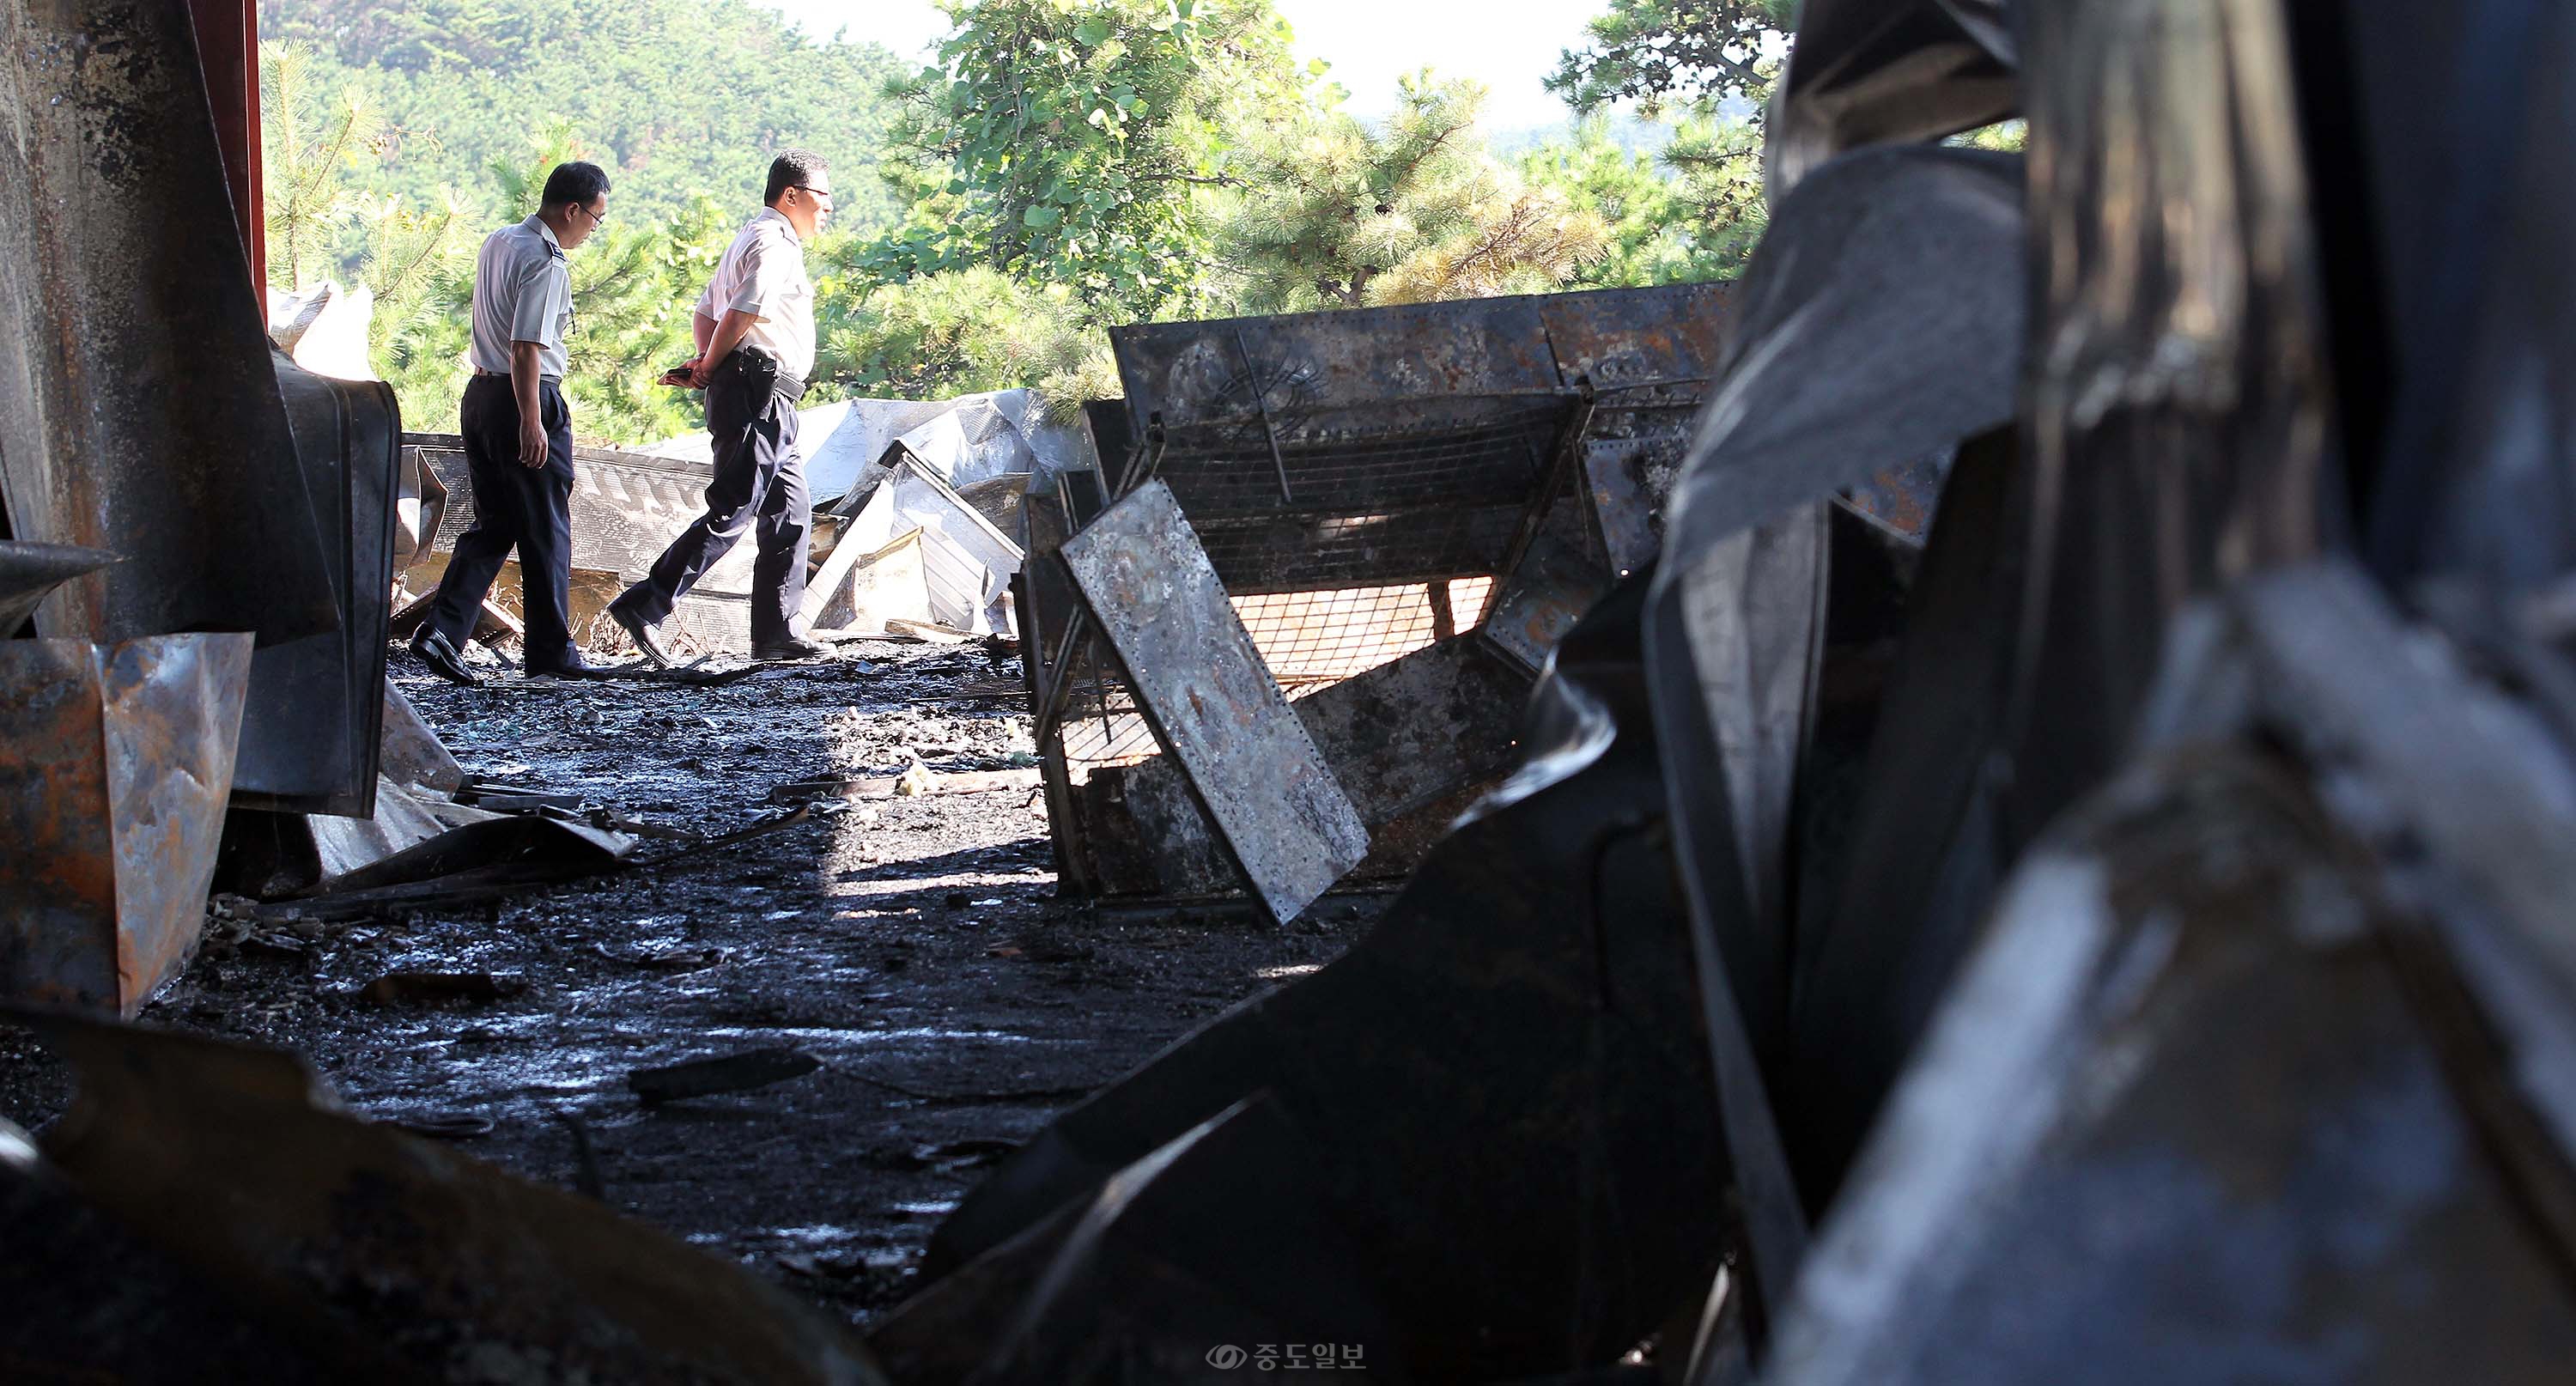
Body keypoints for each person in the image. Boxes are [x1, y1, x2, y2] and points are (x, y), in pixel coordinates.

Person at [606, 150, 833, 665]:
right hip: (759, 391)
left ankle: (776, 631)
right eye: (823, 196)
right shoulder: (775, 245)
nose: (828, 208)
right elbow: (740, 310)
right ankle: (648, 602)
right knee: (735, 506)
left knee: (791, 512)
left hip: (766, 394)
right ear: (792, 195)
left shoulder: (748, 238)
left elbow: (705, 313)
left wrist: (710, 360)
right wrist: (710, 368)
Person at [410, 161, 611, 684]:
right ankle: (550, 652)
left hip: (479, 395)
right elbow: (526, 349)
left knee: (495, 523)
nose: (594, 230)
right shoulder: (548, 264)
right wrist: (532, 421)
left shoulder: (500, 241)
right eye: (595, 219)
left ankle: (441, 630)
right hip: (525, 398)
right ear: (572, 210)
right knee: (545, 526)